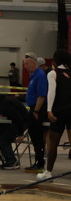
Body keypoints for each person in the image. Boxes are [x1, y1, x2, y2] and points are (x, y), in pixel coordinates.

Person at [37, 49, 71, 180]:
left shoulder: (53, 73)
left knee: (53, 144)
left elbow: (51, 92)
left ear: (55, 60)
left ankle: (48, 172)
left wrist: (49, 110)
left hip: (58, 113)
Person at [23, 52, 48, 171]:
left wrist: (36, 111)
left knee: (37, 136)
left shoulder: (40, 75)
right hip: (33, 108)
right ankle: (38, 161)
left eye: (27, 64)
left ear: (34, 62)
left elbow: (41, 95)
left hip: (38, 108)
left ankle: (40, 162)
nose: (25, 66)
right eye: (24, 64)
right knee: (34, 135)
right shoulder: (33, 75)